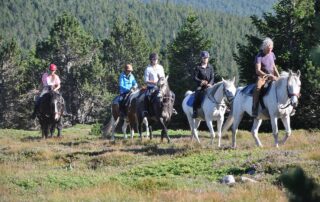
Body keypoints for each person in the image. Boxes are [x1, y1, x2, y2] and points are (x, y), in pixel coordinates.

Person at [252, 37, 280, 117]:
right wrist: (268, 76)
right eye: (268, 49)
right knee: (257, 88)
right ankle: (255, 107)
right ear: (264, 47)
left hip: (272, 76)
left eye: (271, 48)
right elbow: (258, 70)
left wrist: (278, 76)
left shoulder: (272, 54)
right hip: (262, 77)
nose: (270, 50)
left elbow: (274, 67)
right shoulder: (259, 56)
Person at [192, 51, 215, 118]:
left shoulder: (210, 67)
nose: (205, 59)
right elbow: (194, 77)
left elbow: (212, 77)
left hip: (209, 86)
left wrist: (210, 83)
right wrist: (201, 81)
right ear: (201, 58)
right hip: (200, 86)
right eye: (204, 58)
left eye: (207, 58)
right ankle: (195, 111)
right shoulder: (197, 67)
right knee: (197, 96)